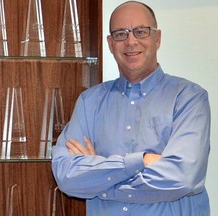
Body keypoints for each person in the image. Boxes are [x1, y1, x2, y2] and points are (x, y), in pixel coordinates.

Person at [51, 1, 211, 215]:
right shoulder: (89, 102)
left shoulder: (188, 98)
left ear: (157, 38)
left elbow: (182, 177)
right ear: (110, 43)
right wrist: (142, 161)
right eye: (120, 34)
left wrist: (101, 179)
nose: (131, 41)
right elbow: (66, 177)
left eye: (140, 31)